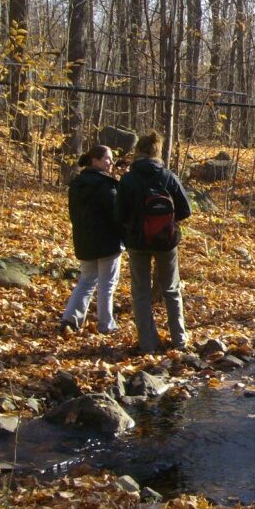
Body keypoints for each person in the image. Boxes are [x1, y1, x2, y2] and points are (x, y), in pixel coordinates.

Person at [116, 131, 193, 352]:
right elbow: (186, 210)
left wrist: (130, 228)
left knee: (140, 293)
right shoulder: (168, 176)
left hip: (137, 242)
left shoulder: (128, 179)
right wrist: (167, 222)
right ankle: (179, 340)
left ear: (138, 151)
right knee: (171, 290)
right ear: (157, 152)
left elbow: (119, 214)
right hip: (166, 241)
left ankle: (147, 344)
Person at [61, 145, 122, 334]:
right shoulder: (106, 185)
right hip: (108, 242)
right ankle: (106, 325)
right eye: (107, 158)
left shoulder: (77, 184)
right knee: (107, 284)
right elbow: (117, 214)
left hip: (84, 240)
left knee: (86, 281)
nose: (111, 162)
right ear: (95, 160)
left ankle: (70, 319)